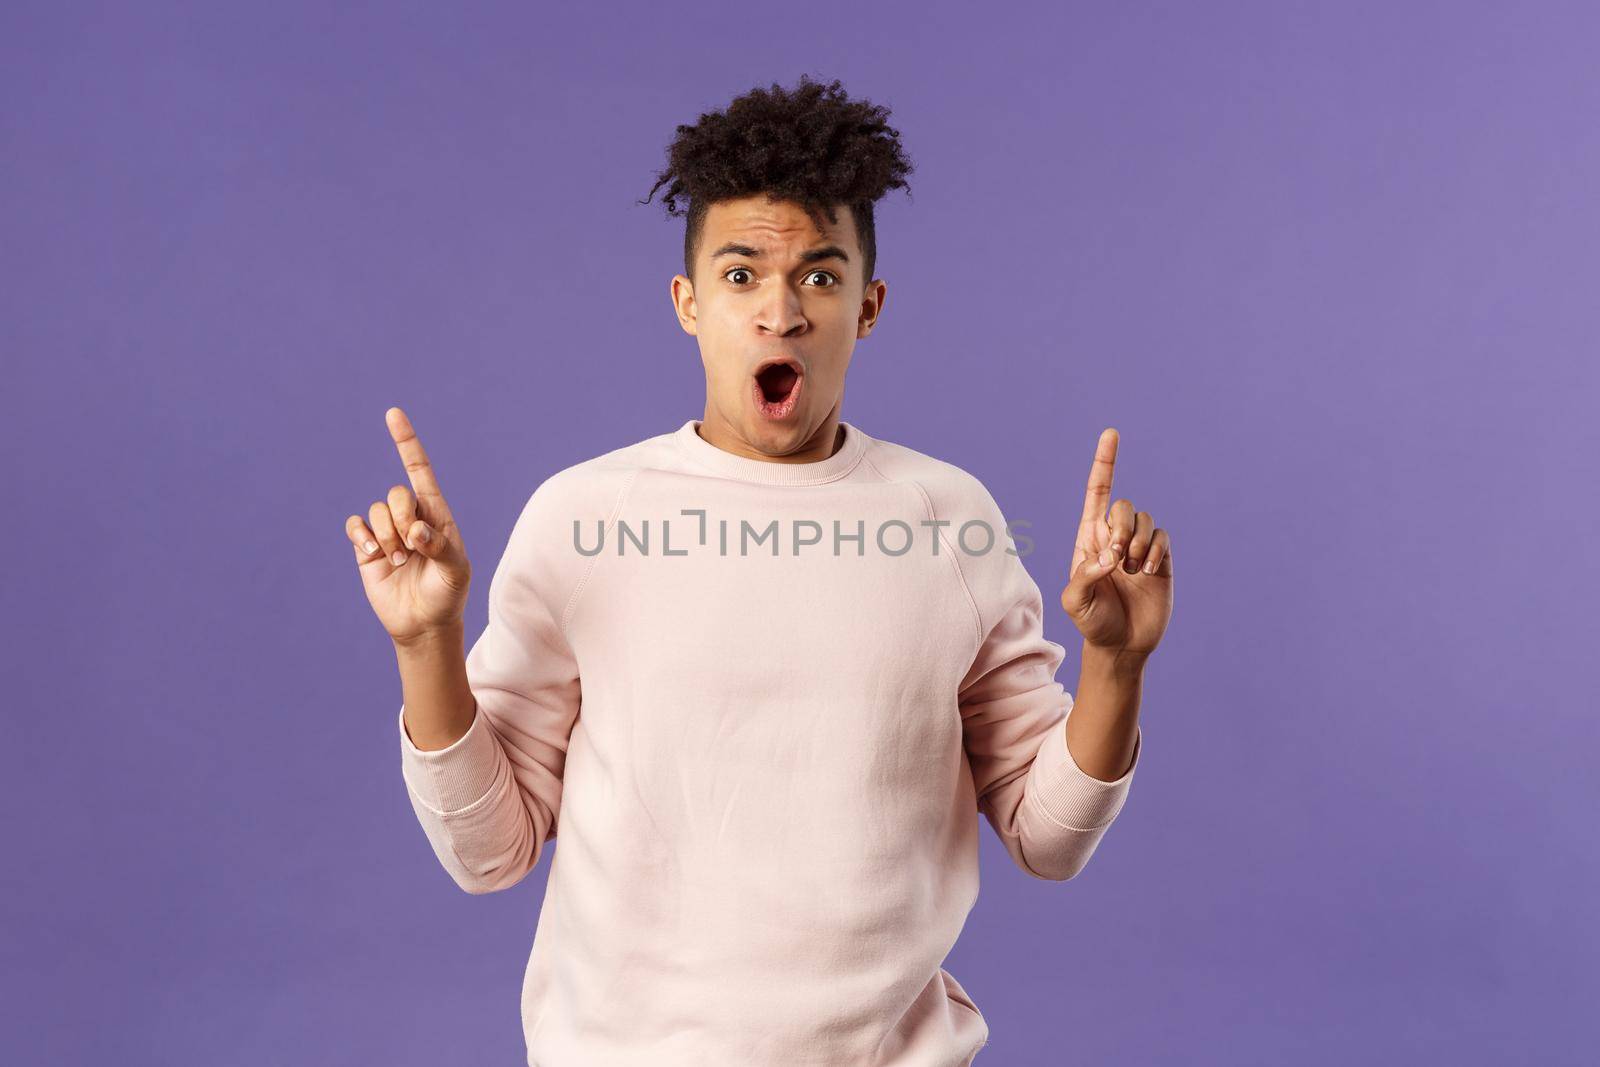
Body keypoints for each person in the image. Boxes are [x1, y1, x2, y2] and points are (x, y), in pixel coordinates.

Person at [345, 74, 1173, 1067]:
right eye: (741, 276)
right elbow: (491, 852)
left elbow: (1049, 837)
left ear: (866, 307)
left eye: (819, 277)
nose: (779, 312)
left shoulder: (950, 520)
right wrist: (426, 641)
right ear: (688, 302)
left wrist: (1115, 664)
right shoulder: (583, 517)